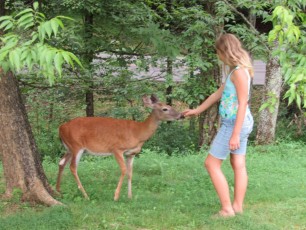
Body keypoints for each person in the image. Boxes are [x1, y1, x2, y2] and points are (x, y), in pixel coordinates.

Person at [182, 33, 254, 217]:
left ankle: (227, 209)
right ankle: (237, 207)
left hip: (234, 124)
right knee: (238, 163)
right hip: (240, 122)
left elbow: (243, 103)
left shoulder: (239, 72)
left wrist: (235, 133)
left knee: (211, 164)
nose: (218, 56)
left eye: (218, 52)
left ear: (224, 51)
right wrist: (197, 110)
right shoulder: (235, 70)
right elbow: (217, 94)